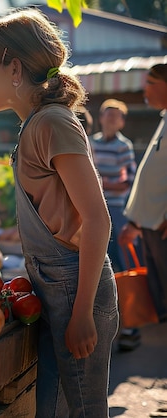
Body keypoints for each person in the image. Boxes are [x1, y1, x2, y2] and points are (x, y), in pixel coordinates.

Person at [0, 8, 118, 417]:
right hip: (56, 285)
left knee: (83, 409)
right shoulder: (35, 123)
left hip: (76, 287)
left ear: (14, 68)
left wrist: (83, 311)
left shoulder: (52, 123)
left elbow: (97, 220)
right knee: (52, 404)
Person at [119, 64, 167, 328]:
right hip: (152, 224)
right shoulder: (164, 118)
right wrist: (135, 223)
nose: (144, 88)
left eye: (150, 82)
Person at [89, 99, 138, 273]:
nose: (111, 119)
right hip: (93, 206)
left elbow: (128, 182)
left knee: (126, 250)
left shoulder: (124, 146)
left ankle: (131, 291)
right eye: (108, 115)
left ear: (122, 122)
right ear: (101, 118)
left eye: (116, 117)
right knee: (96, 252)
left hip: (116, 206)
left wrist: (100, 184)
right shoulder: (90, 143)